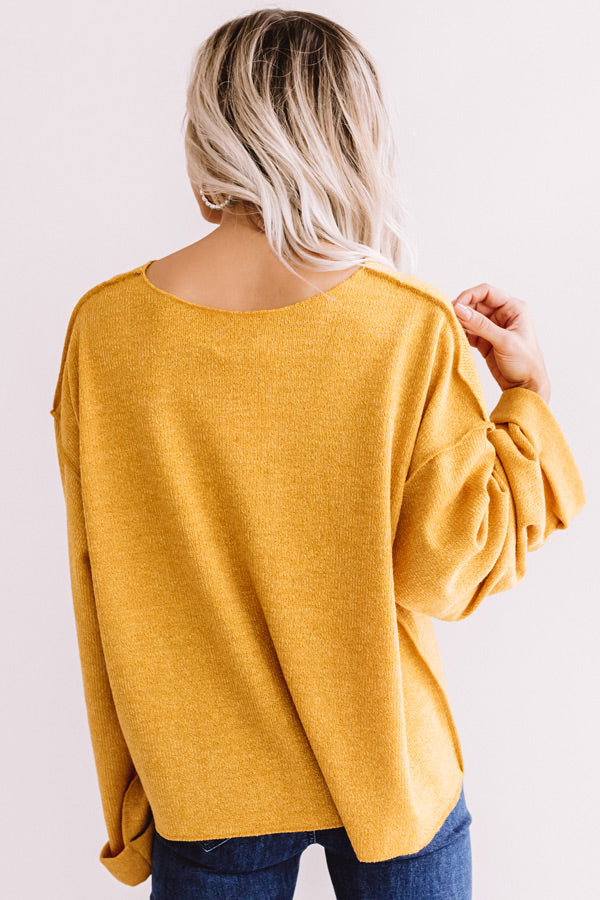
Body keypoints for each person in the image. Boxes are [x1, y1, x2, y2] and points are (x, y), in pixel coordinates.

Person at [49, 9, 585, 900]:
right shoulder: (405, 326)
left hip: (203, 778)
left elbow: (96, 573)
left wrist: (132, 790)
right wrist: (526, 404)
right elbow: (447, 574)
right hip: (390, 769)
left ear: (210, 135)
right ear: (353, 140)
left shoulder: (103, 332)